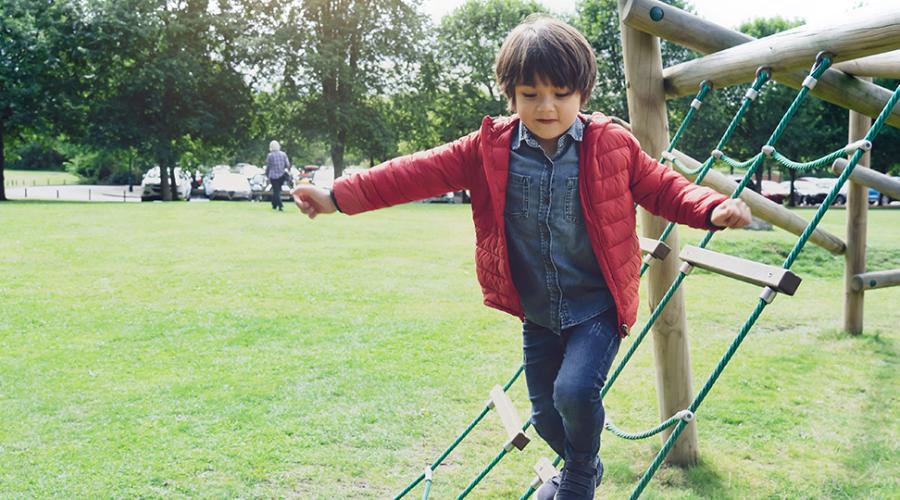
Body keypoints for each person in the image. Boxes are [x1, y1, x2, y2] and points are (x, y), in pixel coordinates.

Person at [290, 15, 750, 499]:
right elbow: (412, 172)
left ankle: (576, 481)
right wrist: (336, 197)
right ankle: (585, 464)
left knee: (574, 392)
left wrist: (712, 207)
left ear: (582, 93)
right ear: (511, 95)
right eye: (530, 95)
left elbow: (662, 186)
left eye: (560, 93)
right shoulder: (489, 149)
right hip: (538, 311)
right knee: (546, 415)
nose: (546, 107)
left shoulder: (610, 144)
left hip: (596, 305)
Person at [265, 140, 291, 211]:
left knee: (276, 191)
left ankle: (280, 205)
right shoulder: (283, 154)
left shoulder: (270, 155)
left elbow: (268, 166)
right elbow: (287, 165)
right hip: (281, 175)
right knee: (277, 190)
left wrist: (266, 174)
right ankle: (274, 204)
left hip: (273, 176)